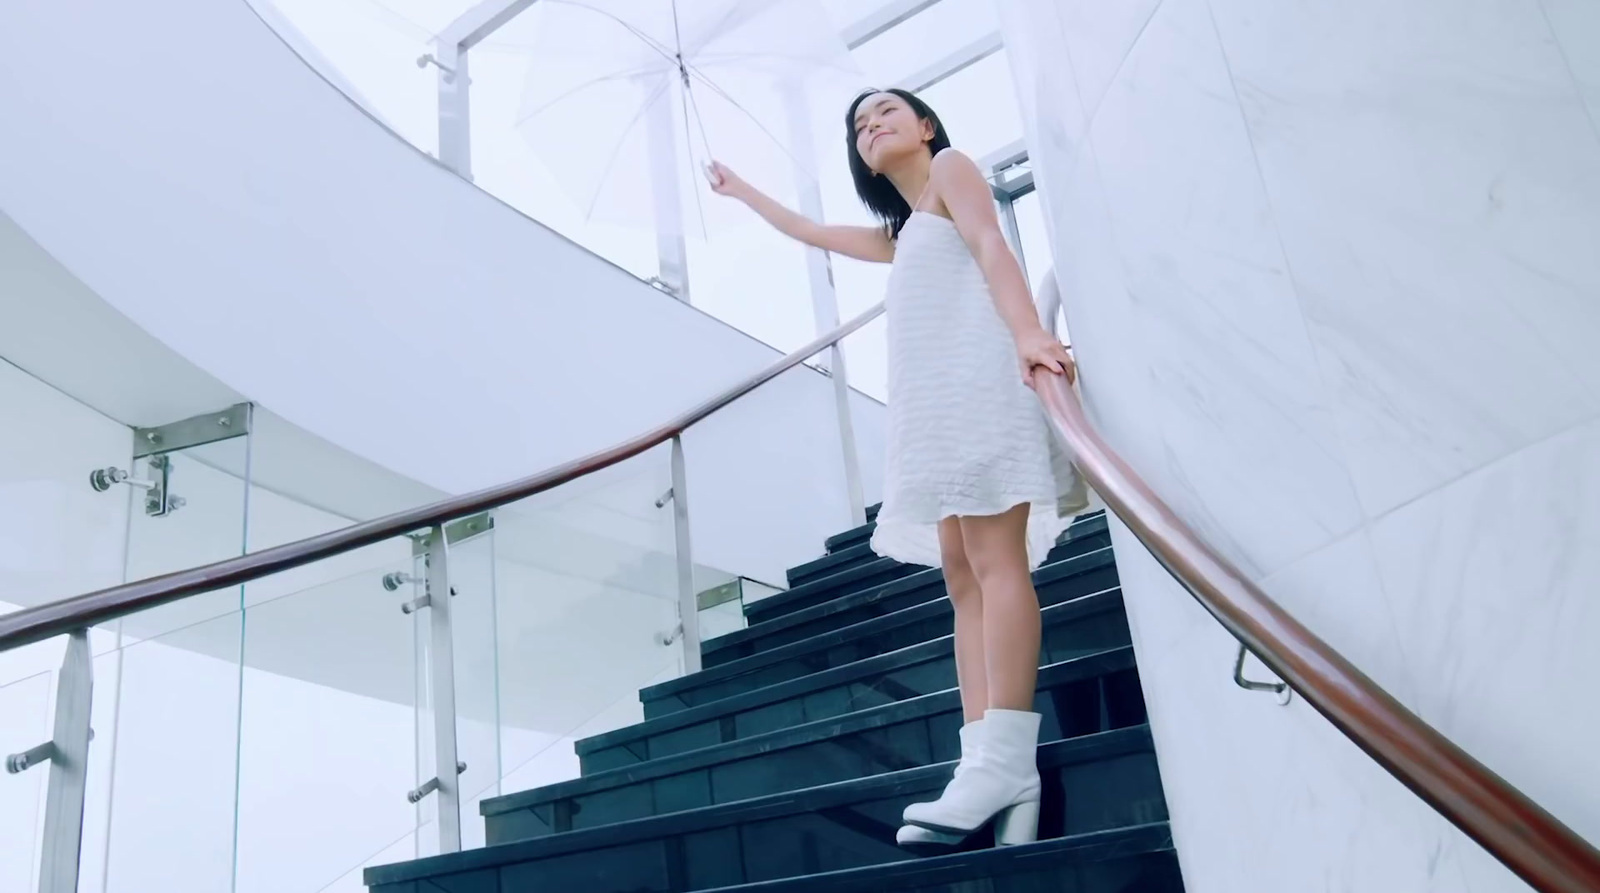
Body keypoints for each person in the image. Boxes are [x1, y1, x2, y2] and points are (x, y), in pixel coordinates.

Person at [706, 87, 1087, 851]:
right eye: (857, 124)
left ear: (925, 126)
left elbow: (991, 246)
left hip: (981, 384)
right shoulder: (905, 231)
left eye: (884, 111)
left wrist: (1028, 334)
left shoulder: (951, 169)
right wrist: (742, 190)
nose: (869, 125)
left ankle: (1007, 762)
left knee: (993, 556)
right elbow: (810, 230)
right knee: (959, 571)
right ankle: (983, 760)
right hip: (936, 407)